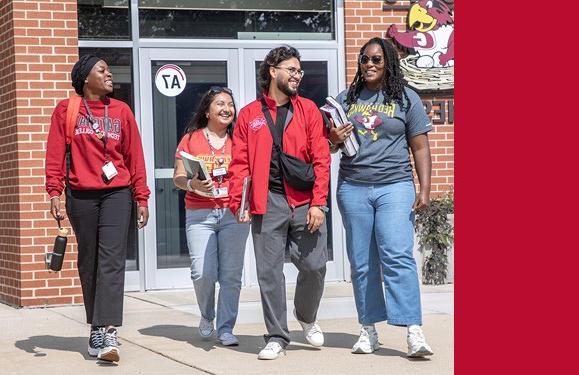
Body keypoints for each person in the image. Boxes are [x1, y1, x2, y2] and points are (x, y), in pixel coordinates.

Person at [328, 37, 435, 358]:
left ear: (388, 62)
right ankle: (368, 329)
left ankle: (413, 329)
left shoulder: (406, 98)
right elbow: (329, 146)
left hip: (395, 186)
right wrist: (332, 138)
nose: (370, 64)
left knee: (397, 255)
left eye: (376, 59)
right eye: (364, 59)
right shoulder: (345, 99)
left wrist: (425, 188)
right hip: (353, 187)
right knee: (361, 263)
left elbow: (420, 146)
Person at [45, 55, 150, 363]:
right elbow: (54, 154)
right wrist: (54, 191)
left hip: (117, 192)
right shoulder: (67, 110)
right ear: (84, 78)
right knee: (89, 260)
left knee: (112, 260)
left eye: (108, 69)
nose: (108, 74)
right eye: (101, 70)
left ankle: (108, 332)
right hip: (81, 196)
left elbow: (135, 157)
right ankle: (95, 327)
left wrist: (141, 196)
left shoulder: (121, 111)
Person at [228, 46, 331, 360]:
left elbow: (322, 159)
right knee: (269, 273)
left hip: (303, 201)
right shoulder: (249, 115)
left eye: (300, 70)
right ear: (273, 70)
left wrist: (318, 203)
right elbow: (239, 164)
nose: (297, 75)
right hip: (266, 201)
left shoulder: (309, 110)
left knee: (314, 266)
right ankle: (276, 335)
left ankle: (306, 315)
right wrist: (239, 202)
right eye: (291, 69)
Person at [172, 86, 250, 346]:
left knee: (231, 275)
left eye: (230, 104)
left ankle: (226, 328)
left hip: (232, 213)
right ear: (207, 110)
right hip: (200, 213)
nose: (227, 108)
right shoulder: (191, 139)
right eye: (220, 104)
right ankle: (207, 314)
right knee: (202, 273)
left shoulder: (240, 140)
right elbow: (178, 177)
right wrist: (193, 184)